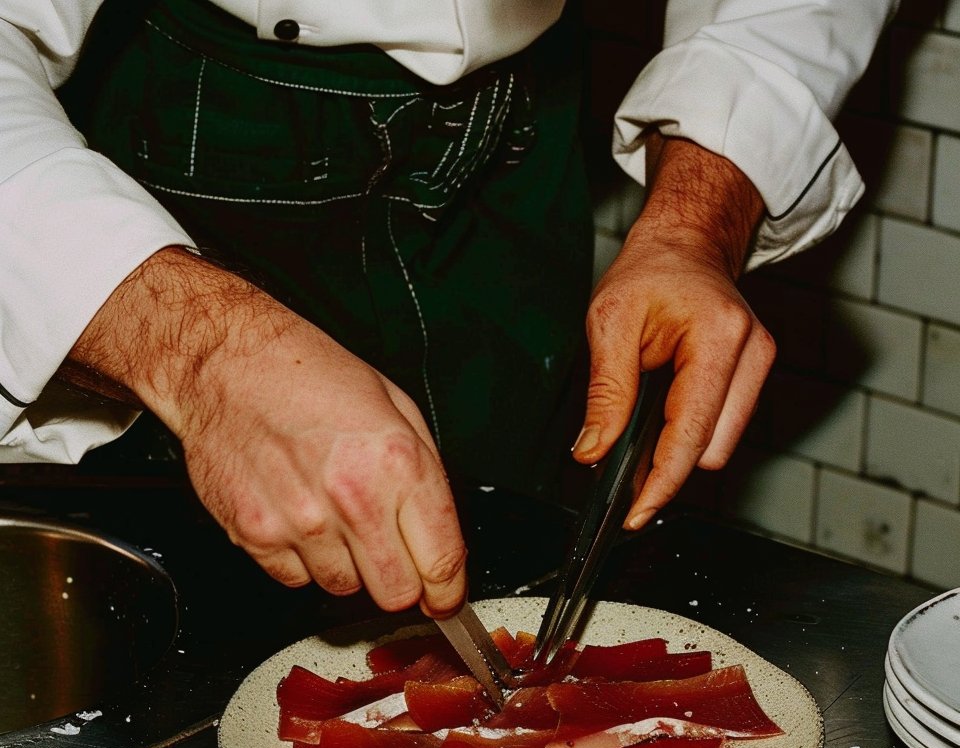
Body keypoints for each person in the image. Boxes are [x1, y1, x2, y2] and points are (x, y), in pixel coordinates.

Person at [0, 1, 898, 619]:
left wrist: (694, 222)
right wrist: (202, 354)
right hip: (195, 148)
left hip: (517, 152)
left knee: (501, 572)